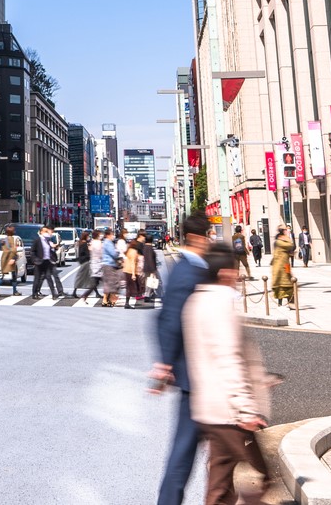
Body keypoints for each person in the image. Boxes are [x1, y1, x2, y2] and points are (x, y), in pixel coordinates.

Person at [186, 244, 274, 505]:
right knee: (264, 475)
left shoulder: (196, 300)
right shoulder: (220, 304)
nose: (239, 277)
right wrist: (246, 409)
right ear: (225, 273)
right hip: (228, 413)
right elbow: (228, 358)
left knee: (219, 484)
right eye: (236, 272)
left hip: (209, 408)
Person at [152, 213, 213, 505]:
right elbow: (167, 319)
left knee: (197, 448)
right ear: (199, 238)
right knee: (186, 449)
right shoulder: (187, 272)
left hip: (200, 374)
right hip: (197, 376)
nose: (212, 240)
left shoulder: (191, 268)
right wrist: (165, 364)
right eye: (210, 235)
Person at [31, 227, 65, 298]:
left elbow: (50, 250)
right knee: (37, 278)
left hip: (47, 262)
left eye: (47, 231)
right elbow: (33, 251)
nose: (47, 232)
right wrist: (35, 260)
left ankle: (53, 294)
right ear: (41, 232)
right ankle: (34, 293)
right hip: (39, 262)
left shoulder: (47, 240)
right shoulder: (37, 240)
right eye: (45, 231)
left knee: (49, 278)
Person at [269, 226, 294, 307]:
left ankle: (290, 303)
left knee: (289, 283)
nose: (287, 231)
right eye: (286, 230)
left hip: (286, 265)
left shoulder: (281, 240)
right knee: (282, 285)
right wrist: (287, 237)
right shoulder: (280, 241)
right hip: (280, 267)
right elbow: (290, 245)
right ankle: (282, 304)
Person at [124, 229, 147, 308]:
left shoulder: (129, 250)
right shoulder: (134, 251)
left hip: (127, 270)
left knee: (131, 287)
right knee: (132, 287)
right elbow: (133, 263)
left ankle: (132, 299)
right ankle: (128, 302)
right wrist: (133, 274)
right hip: (131, 271)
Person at [0, 227, 21, 295]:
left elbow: (3, 248)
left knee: (3, 275)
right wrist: (15, 256)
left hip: (4, 258)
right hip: (10, 258)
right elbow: (13, 249)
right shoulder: (12, 239)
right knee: (13, 275)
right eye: (13, 231)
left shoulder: (3, 240)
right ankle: (14, 291)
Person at [73, 232, 96, 300]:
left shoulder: (81, 243)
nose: (89, 237)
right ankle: (74, 292)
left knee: (89, 278)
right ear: (85, 236)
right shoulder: (84, 244)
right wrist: (89, 253)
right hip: (85, 262)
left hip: (83, 262)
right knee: (87, 278)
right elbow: (84, 253)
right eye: (88, 236)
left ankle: (75, 291)